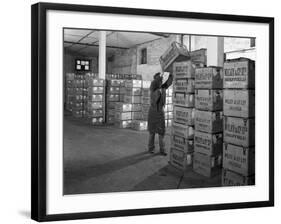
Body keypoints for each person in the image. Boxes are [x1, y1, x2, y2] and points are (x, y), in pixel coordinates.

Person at [147, 72, 172, 156]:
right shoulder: (154, 89)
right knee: (152, 132)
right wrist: (161, 77)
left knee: (161, 133)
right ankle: (151, 148)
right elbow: (157, 87)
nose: (161, 80)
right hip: (153, 112)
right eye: (160, 79)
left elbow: (168, 82)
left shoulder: (162, 88)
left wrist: (170, 74)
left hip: (160, 112)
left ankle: (162, 150)